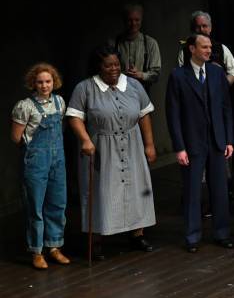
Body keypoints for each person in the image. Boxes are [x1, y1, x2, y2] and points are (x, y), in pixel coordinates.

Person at [67, 45, 157, 254]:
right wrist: (85, 140)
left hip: (132, 144)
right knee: (101, 191)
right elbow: (74, 117)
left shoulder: (134, 85)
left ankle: (137, 235)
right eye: (108, 65)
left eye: (117, 64)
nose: (114, 69)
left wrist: (150, 144)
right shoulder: (86, 88)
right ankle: (96, 239)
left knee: (136, 187)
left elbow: (144, 115)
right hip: (102, 147)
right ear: (99, 67)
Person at [166, 34, 234, 253]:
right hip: (192, 142)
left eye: (210, 47)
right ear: (192, 49)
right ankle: (192, 235)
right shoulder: (178, 76)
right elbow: (173, 114)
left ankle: (222, 233)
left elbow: (226, 107)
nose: (208, 51)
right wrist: (179, 147)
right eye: (204, 47)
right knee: (193, 190)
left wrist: (229, 140)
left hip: (216, 140)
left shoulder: (216, 72)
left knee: (220, 189)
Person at [10, 63, 70, 269]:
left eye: (48, 81)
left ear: (54, 82)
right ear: (33, 84)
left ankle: (54, 246)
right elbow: (16, 137)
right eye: (40, 82)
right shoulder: (25, 106)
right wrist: (34, 153)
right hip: (36, 162)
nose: (44, 85)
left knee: (57, 203)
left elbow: (60, 128)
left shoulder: (59, 102)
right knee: (35, 206)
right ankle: (36, 251)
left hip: (57, 161)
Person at [109, 4, 161, 94]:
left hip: (141, 96)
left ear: (141, 20)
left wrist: (141, 75)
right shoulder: (113, 44)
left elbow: (156, 75)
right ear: (124, 21)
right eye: (130, 20)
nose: (133, 24)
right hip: (117, 96)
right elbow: (106, 72)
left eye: (137, 20)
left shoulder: (150, 43)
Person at [177, 11, 234, 85]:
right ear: (193, 30)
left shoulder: (221, 48)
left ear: (210, 28)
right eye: (197, 27)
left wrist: (223, 84)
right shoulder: (184, 52)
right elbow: (180, 78)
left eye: (204, 26)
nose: (201, 30)